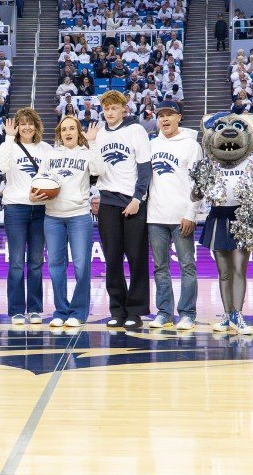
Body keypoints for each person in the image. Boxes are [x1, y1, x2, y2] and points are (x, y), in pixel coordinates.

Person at [33, 116, 104, 327]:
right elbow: (39, 179)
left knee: (82, 265)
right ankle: (61, 310)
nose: (68, 132)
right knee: (55, 265)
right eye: (64, 129)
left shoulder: (85, 152)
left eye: (72, 128)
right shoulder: (50, 154)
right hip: (52, 216)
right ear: (59, 133)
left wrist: (91, 142)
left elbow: (99, 170)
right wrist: (34, 194)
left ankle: (79, 312)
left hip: (79, 216)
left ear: (79, 132)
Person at [92, 90, 152, 329]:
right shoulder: (98, 134)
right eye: (106, 108)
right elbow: (93, 169)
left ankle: (135, 311)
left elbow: (145, 168)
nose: (109, 112)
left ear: (124, 109)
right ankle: (117, 309)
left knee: (137, 258)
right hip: (107, 202)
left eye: (114, 108)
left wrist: (138, 197)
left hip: (133, 201)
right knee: (112, 259)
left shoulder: (136, 130)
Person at [146, 101, 201, 330]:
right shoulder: (150, 145)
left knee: (187, 266)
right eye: (161, 115)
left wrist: (191, 213)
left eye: (169, 114)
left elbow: (199, 183)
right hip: (155, 216)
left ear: (179, 117)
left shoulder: (191, 145)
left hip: (182, 217)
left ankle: (187, 313)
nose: (164, 119)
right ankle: (164, 312)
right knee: (160, 267)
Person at [0, 109, 53, 325]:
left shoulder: (47, 149)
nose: (27, 127)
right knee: (16, 263)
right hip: (15, 209)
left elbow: (52, 176)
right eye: (23, 124)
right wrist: (9, 138)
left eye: (30, 123)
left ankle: (35, 309)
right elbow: (3, 166)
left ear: (37, 126)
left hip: (41, 209)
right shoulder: (8, 145)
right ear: (17, 127)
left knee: (36, 262)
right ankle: (16, 310)